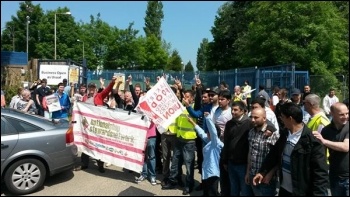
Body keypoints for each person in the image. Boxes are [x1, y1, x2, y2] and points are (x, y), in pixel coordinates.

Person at [252, 102, 329, 196]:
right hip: (285, 190)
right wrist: (263, 172)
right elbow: (273, 155)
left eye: (282, 117)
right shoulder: (284, 134)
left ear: (290, 119)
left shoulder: (312, 141)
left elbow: (320, 173)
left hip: (301, 192)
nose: (281, 120)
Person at [75, 76, 117, 173]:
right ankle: (84, 164)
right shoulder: (84, 98)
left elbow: (107, 90)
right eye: (90, 88)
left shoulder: (99, 96)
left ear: (96, 89)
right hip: (87, 126)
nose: (92, 90)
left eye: (93, 88)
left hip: (97, 125)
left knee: (98, 145)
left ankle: (100, 165)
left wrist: (112, 82)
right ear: (88, 89)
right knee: (86, 144)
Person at [313, 102, 349, 196]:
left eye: (347, 113)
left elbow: (346, 147)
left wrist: (324, 141)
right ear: (332, 114)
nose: (345, 116)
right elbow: (322, 154)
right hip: (334, 176)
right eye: (341, 114)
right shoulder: (326, 130)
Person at [222, 101, 253, 196]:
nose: (233, 112)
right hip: (231, 163)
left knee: (245, 191)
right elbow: (226, 143)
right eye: (232, 109)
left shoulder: (249, 123)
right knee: (234, 189)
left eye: (235, 110)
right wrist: (225, 160)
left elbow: (266, 124)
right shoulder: (229, 124)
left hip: (243, 165)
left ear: (243, 111)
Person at [246, 108, 279, 196]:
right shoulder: (251, 132)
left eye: (256, 117)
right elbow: (250, 152)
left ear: (264, 118)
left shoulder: (273, 134)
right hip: (253, 174)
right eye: (251, 117)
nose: (253, 120)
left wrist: (270, 174)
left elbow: (278, 157)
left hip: (266, 178)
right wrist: (247, 172)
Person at [188, 115, 223, 196]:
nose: (206, 133)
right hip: (207, 171)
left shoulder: (215, 143)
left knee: (212, 192)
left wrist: (208, 118)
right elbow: (201, 133)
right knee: (206, 191)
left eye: (208, 132)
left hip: (213, 173)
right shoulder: (209, 140)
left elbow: (213, 131)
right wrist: (193, 122)